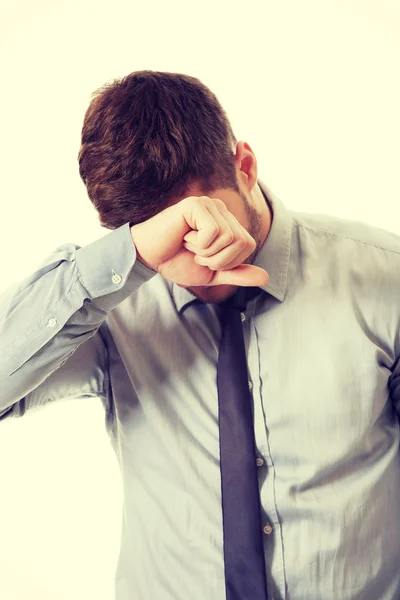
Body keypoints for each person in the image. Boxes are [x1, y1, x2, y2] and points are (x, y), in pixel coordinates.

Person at [1, 70, 400, 600]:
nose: (188, 262)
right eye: (163, 235)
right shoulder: (108, 304)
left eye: (199, 221)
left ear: (246, 168)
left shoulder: (382, 277)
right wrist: (133, 256)